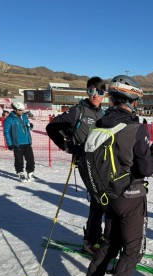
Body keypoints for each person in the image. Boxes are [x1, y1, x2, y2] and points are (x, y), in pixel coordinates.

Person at [79, 75, 153, 276]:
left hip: (107, 196)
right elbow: (146, 168)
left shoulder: (101, 123)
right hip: (129, 195)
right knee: (132, 250)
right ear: (133, 99)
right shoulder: (135, 128)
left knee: (110, 243)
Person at [46, 76, 107, 253]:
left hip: (101, 163)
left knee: (102, 200)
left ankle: (97, 235)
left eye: (100, 92)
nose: (95, 95)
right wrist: (67, 146)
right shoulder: (77, 111)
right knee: (97, 200)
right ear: (87, 92)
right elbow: (51, 128)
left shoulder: (103, 114)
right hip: (84, 162)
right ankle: (90, 240)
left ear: (105, 94)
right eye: (91, 91)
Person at [4, 102, 35, 182]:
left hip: (27, 141)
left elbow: (26, 126)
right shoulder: (9, 119)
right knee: (19, 160)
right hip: (17, 143)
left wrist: (30, 126)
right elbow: (6, 132)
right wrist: (10, 144)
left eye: (22, 110)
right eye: (20, 110)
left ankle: (30, 172)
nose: (22, 111)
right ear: (15, 110)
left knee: (30, 159)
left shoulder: (24, 117)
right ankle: (20, 173)